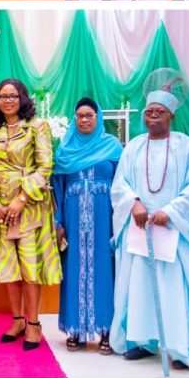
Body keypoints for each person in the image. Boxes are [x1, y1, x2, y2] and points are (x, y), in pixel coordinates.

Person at [109, 88, 189, 371]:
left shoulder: (186, 147)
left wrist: (171, 211)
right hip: (139, 230)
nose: (153, 116)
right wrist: (134, 202)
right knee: (139, 287)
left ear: (171, 116)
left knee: (174, 289)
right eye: (149, 112)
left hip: (174, 232)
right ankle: (142, 341)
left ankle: (179, 348)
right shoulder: (133, 146)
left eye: (159, 112)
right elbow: (120, 185)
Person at [0, 79, 60, 351]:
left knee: (29, 267)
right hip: (0, 210)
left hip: (28, 209)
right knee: (9, 267)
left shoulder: (37, 127)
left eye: (12, 96)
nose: (8, 101)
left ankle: (34, 323)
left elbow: (45, 167)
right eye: (3, 96)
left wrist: (21, 199)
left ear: (22, 98)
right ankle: (18, 320)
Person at [53, 98, 122, 353]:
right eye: (80, 116)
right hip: (73, 221)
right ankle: (76, 329)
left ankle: (106, 330)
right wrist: (58, 221)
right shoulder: (65, 150)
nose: (84, 120)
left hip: (105, 221)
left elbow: (122, 184)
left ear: (98, 117)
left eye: (89, 115)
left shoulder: (112, 146)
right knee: (73, 271)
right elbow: (57, 189)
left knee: (105, 270)